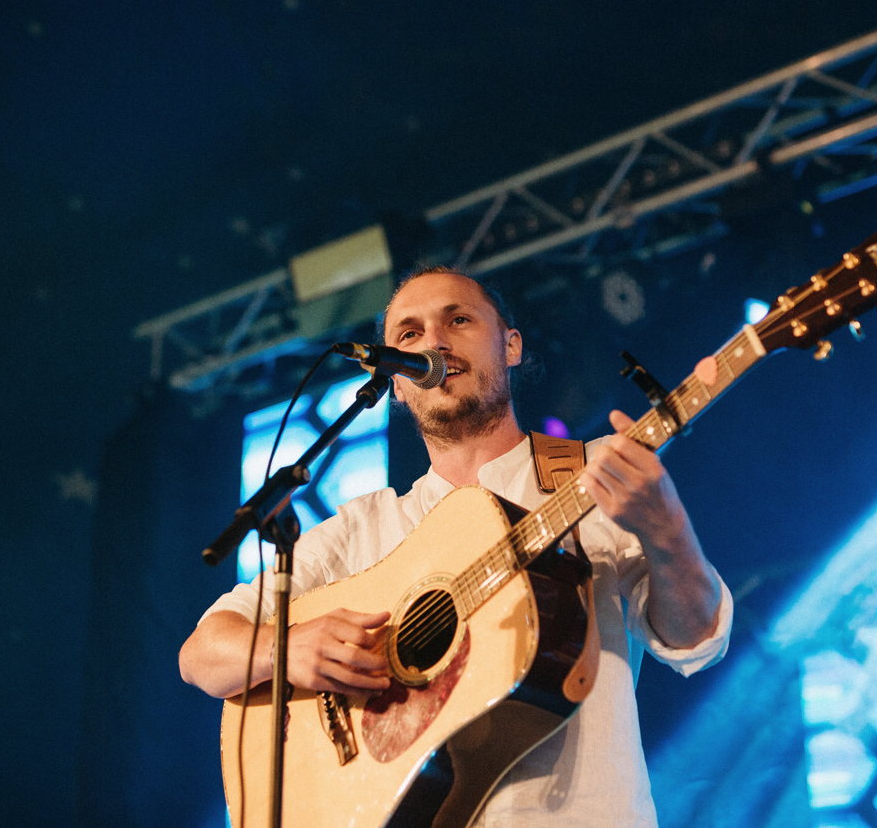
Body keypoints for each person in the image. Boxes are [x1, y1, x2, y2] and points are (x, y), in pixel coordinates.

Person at [179, 268, 733, 827]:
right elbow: (201, 654)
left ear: (511, 345)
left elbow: (695, 640)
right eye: (409, 335)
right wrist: (292, 649)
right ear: (395, 380)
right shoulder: (364, 528)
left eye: (459, 320)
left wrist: (667, 530)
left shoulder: (593, 478)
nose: (434, 342)